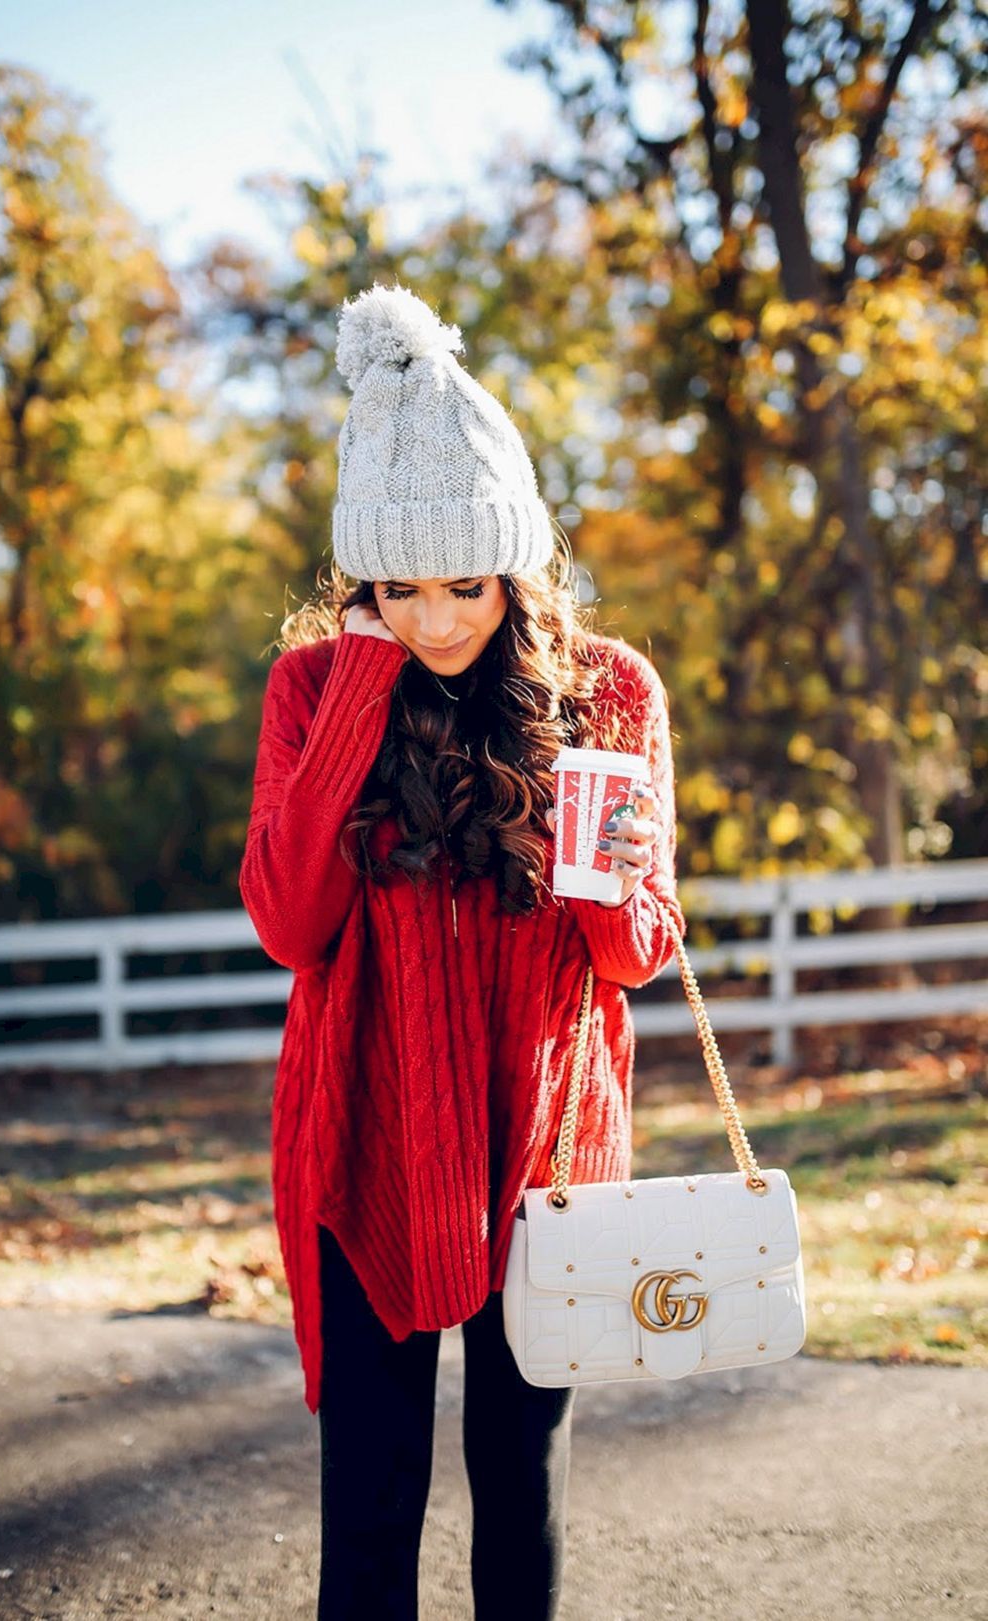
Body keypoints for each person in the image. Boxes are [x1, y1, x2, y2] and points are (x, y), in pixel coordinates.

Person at [239, 282, 685, 1621]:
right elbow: (289, 922)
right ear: (359, 579)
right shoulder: (314, 687)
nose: (435, 618)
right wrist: (365, 682)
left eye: (465, 583)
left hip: (541, 1147)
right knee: (369, 1509)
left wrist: (582, 819)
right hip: (367, 1135)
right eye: (397, 584)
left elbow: (632, 951)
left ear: (519, 560)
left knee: (519, 1490)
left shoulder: (607, 689)